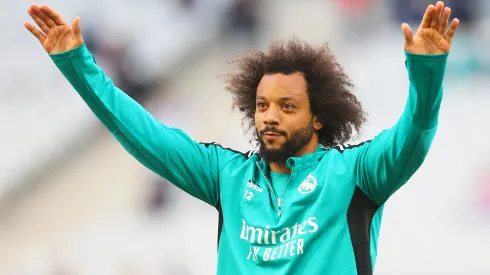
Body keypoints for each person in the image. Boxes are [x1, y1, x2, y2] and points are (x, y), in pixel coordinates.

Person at [24, 2, 459, 274]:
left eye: (287, 107)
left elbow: (415, 135)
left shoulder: (356, 174)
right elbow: (143, 135)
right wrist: (78, 66)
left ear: (319, 117)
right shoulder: (225, 174)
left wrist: (426, 73)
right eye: (263, 105)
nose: (269, 117)